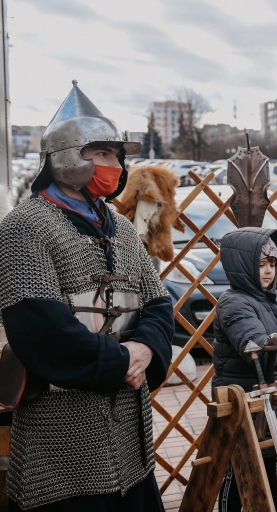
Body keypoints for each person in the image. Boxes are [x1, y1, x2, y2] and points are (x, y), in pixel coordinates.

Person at [0, 81, 174, 511]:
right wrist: (123, 362)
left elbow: (158, 303)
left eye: (117, 156)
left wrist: (146, 350)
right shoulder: (26, 228)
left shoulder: (118, 227)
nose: (115, 166)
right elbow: (42, 333)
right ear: (65, 158)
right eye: (103, 154)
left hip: (130, 446)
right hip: (60, 449)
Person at [212, 227, 277, 511]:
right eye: (260, 265)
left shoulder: (274, 299)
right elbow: (256, 348)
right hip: (242, 403)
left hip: (268, 400)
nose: (269, 271)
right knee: (239, 472)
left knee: (267, 469)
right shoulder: (233, 304)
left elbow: (274, 352)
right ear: (242, 266)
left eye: (272, 263)